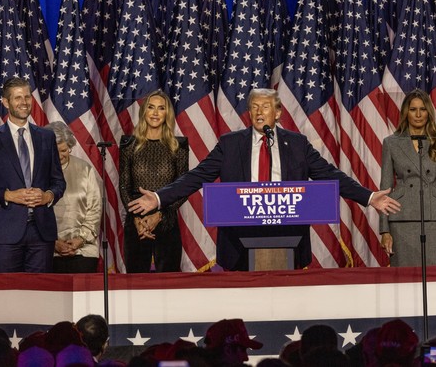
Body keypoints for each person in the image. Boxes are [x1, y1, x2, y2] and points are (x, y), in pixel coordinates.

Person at [128, 88, 401, 271]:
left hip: (287, 240)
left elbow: (330, 174)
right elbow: (197, 176)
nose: (259, 112)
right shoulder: (230, 144)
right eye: (254, 107)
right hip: (239, 243)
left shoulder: (297, 144)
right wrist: (159, 197)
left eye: (266, 107)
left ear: (278, 113)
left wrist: (368, 196)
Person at [0, 77, 66, 273]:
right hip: (4, 234)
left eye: (27, 97)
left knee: (40, 295)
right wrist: (8, 195)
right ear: (6, 102)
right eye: (17, 98)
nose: (24, 102)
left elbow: (58, 182)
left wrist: (48, 196)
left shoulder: (47, 137)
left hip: (41, 233)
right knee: (6, 296)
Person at [379, 88, 436, 266]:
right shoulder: (391, 143)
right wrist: (384, 230)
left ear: (428, 112)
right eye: (413, 109)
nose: (418, 114)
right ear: (405, 112)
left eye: (422, 109)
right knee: (405, 277)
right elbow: (384, 189)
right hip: (401, 217)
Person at [119, 90, 189, 273]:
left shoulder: (178, 146)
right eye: (151, 107)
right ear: (144, 112)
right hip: (136, 223)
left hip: (167, 221)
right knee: (135, 284)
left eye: (161, 108)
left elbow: (183, 188)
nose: (156, 113)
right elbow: (124, 185)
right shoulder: (129, 145)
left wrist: (159, 216)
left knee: (168, 285)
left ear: (167, 114)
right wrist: (138, 218)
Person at [45, 121, 101, 273]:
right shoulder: (38, 171)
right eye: (55, 151)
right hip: (47, 250)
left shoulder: (85, 169)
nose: (60, 156)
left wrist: (80, 240)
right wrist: (53, 242)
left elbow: (95, 209)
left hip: (84, 250)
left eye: (64, 150)